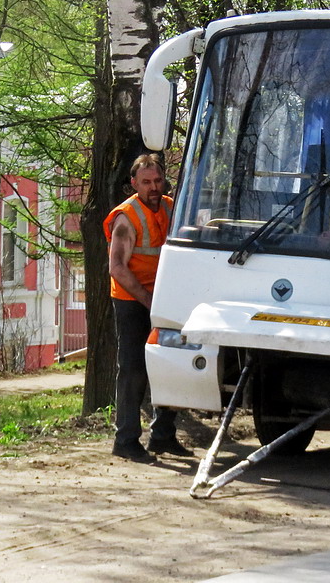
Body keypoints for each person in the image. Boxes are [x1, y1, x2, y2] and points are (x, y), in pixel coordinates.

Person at [104, 153, 190, 462]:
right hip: (132, 300)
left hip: (164, 299)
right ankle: (125, 440)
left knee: (171, 364)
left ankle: (163, 436)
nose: (153, 187)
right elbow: (117, 267)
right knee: (133, 369)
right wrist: (147, 300)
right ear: (134, 184)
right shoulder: (126, 217)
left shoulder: (170, 207)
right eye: (146, 182)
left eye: (157, 181)